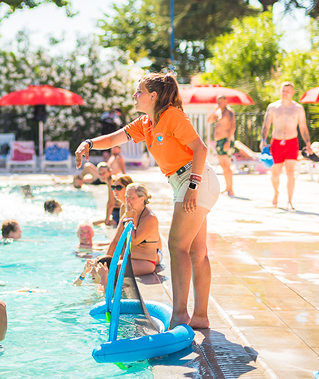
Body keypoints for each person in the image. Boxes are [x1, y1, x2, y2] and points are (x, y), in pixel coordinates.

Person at [75, 73, 220, 329]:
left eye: (138, 91)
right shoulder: (146, 123)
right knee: (197, 251)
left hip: (195, 179)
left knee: (177, 246)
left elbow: (200, 148)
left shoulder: (172, 116)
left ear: (153, 96)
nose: (134, 95)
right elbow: (112, 139)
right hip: (182, 181)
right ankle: (199, 317)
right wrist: (87, 143)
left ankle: (179, 315)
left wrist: (193, 186)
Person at [260, 82, 314, 209]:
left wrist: (307, 143)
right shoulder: (273, 107)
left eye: (288, 91)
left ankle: (289, 200)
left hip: (291, 142)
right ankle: (276, 193)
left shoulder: (298, 108)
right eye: (283, 91)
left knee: (290, 172)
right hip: (277, 142)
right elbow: (266, 125)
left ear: (293, 92)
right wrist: (263, 139)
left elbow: (303, 127)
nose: (285, 93)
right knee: (275, 173)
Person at [105, 182, 161, 276]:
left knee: (112, 270)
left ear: (142, 199)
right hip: (127, 260)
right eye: (126, 196)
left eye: (131, 197)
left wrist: (130, 219)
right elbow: (115, 241)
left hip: (145, 262)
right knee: (101, 267)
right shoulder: (128, 215)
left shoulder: (150, 218)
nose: (127, 200)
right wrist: (105, 260)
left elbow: (134, 241)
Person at [208, 95, 237, 197]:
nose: (220, 103)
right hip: (219, 141)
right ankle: (227, 187)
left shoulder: (229, 112)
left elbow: (233, 127)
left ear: (225, 101)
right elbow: (209, 121)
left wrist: (228, 141)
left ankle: (231, 189)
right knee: (223, 166)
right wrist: (215, 111)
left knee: (227, 166)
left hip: (226, 140)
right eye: (218, 101)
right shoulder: (218, 112)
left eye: (222, 101)